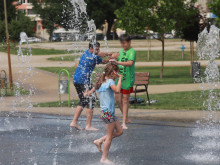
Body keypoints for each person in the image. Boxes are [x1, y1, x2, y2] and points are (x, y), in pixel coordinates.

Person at [84, 64, 123, 164]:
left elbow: (90, 92)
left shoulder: (100, 82)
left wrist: (87, 93)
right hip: (108, 113)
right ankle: (104, 158)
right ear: (112, 73)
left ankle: (100, 140)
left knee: (119, 131)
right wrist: (120, 78)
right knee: (109, 137)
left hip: (107, 113)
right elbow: (117, 90)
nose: (117, 75)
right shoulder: (110, 81)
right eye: (116, 73)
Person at [70, 41, 111, 131]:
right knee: (91, 99)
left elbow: (100, 54)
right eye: (96, 49)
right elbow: (104, 61)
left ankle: (74, 122)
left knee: (83, 100)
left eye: (98, 49)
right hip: (83, 80)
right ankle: (88, 125)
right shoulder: (94, 58)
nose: (98, 51)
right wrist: (112, 58)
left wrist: (108, 54)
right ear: (91, 49)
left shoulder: (86, 53)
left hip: (76, 79)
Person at [110, 34, 136, 130]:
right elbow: (118, 58)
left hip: (128, 79)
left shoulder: (132, 52)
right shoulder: (121, 51)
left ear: (129, 42)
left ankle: (124, 122)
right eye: (121, 43)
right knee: (118, 99)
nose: (123, 45)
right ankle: (126, 118)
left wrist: (118, 62)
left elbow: (130, 63)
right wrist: (114, 58)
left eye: (124, 43)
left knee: (125, 100)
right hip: (119, 78)